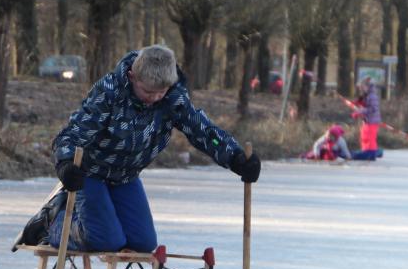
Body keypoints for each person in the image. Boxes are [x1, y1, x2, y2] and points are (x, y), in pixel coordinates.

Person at [50, 45, 260, 253]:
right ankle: (52, 222)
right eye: (148, 91)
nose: (155, 98)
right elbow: (72, 134)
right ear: (132, 77)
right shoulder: (109, 93)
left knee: (144, 243)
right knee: (106, 240)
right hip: (89, 173)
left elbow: (202, 131)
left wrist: (235, 157)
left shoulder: (172, 99)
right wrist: (66, 163)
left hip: (125, 176)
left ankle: (98, 221)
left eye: (161, 91)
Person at [351, 76, 382, 156]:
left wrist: (360, 111)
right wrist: (358, 104)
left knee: (370, 137)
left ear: (368, 86)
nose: (361, 89)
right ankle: (365, 150)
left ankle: (371, 152)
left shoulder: (372, 96)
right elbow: (365, 105)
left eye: (362, 87)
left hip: (372, 121)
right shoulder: (366, 95)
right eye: (360, 87)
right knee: (364, 136)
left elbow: (373, 109)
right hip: (366, 120)